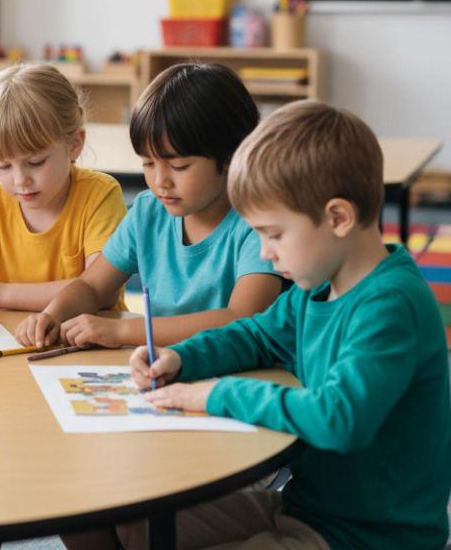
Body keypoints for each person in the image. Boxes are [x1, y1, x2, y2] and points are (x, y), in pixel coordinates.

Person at [124, 100, 451, 550]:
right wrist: (182, 357)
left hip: (371, 537)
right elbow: (255, 334)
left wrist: (216, 394)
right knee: (137, 518)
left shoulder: (390, 305)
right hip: (305, 509)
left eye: (274, 234)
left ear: (338, 218)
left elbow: (339, 418)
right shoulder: (317, 286)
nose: (263, 252)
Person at [16, 62, 281, 349]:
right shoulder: (148, 212)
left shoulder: (259, 223)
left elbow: (241, 318)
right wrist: (52, 316)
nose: (159, 181)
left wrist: (122, 331)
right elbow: (91, 286)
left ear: (234, 155)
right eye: (148, 163)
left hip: (242, 378)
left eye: (179, 166)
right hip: (165, 371)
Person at [0, 63, 127, 334]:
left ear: (74, 144)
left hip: (85, 341)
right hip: (8, 339)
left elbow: (102, 293)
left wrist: (0, 295)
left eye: (35, 162)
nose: (20, 180)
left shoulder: (99, 195)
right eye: (3, 166)